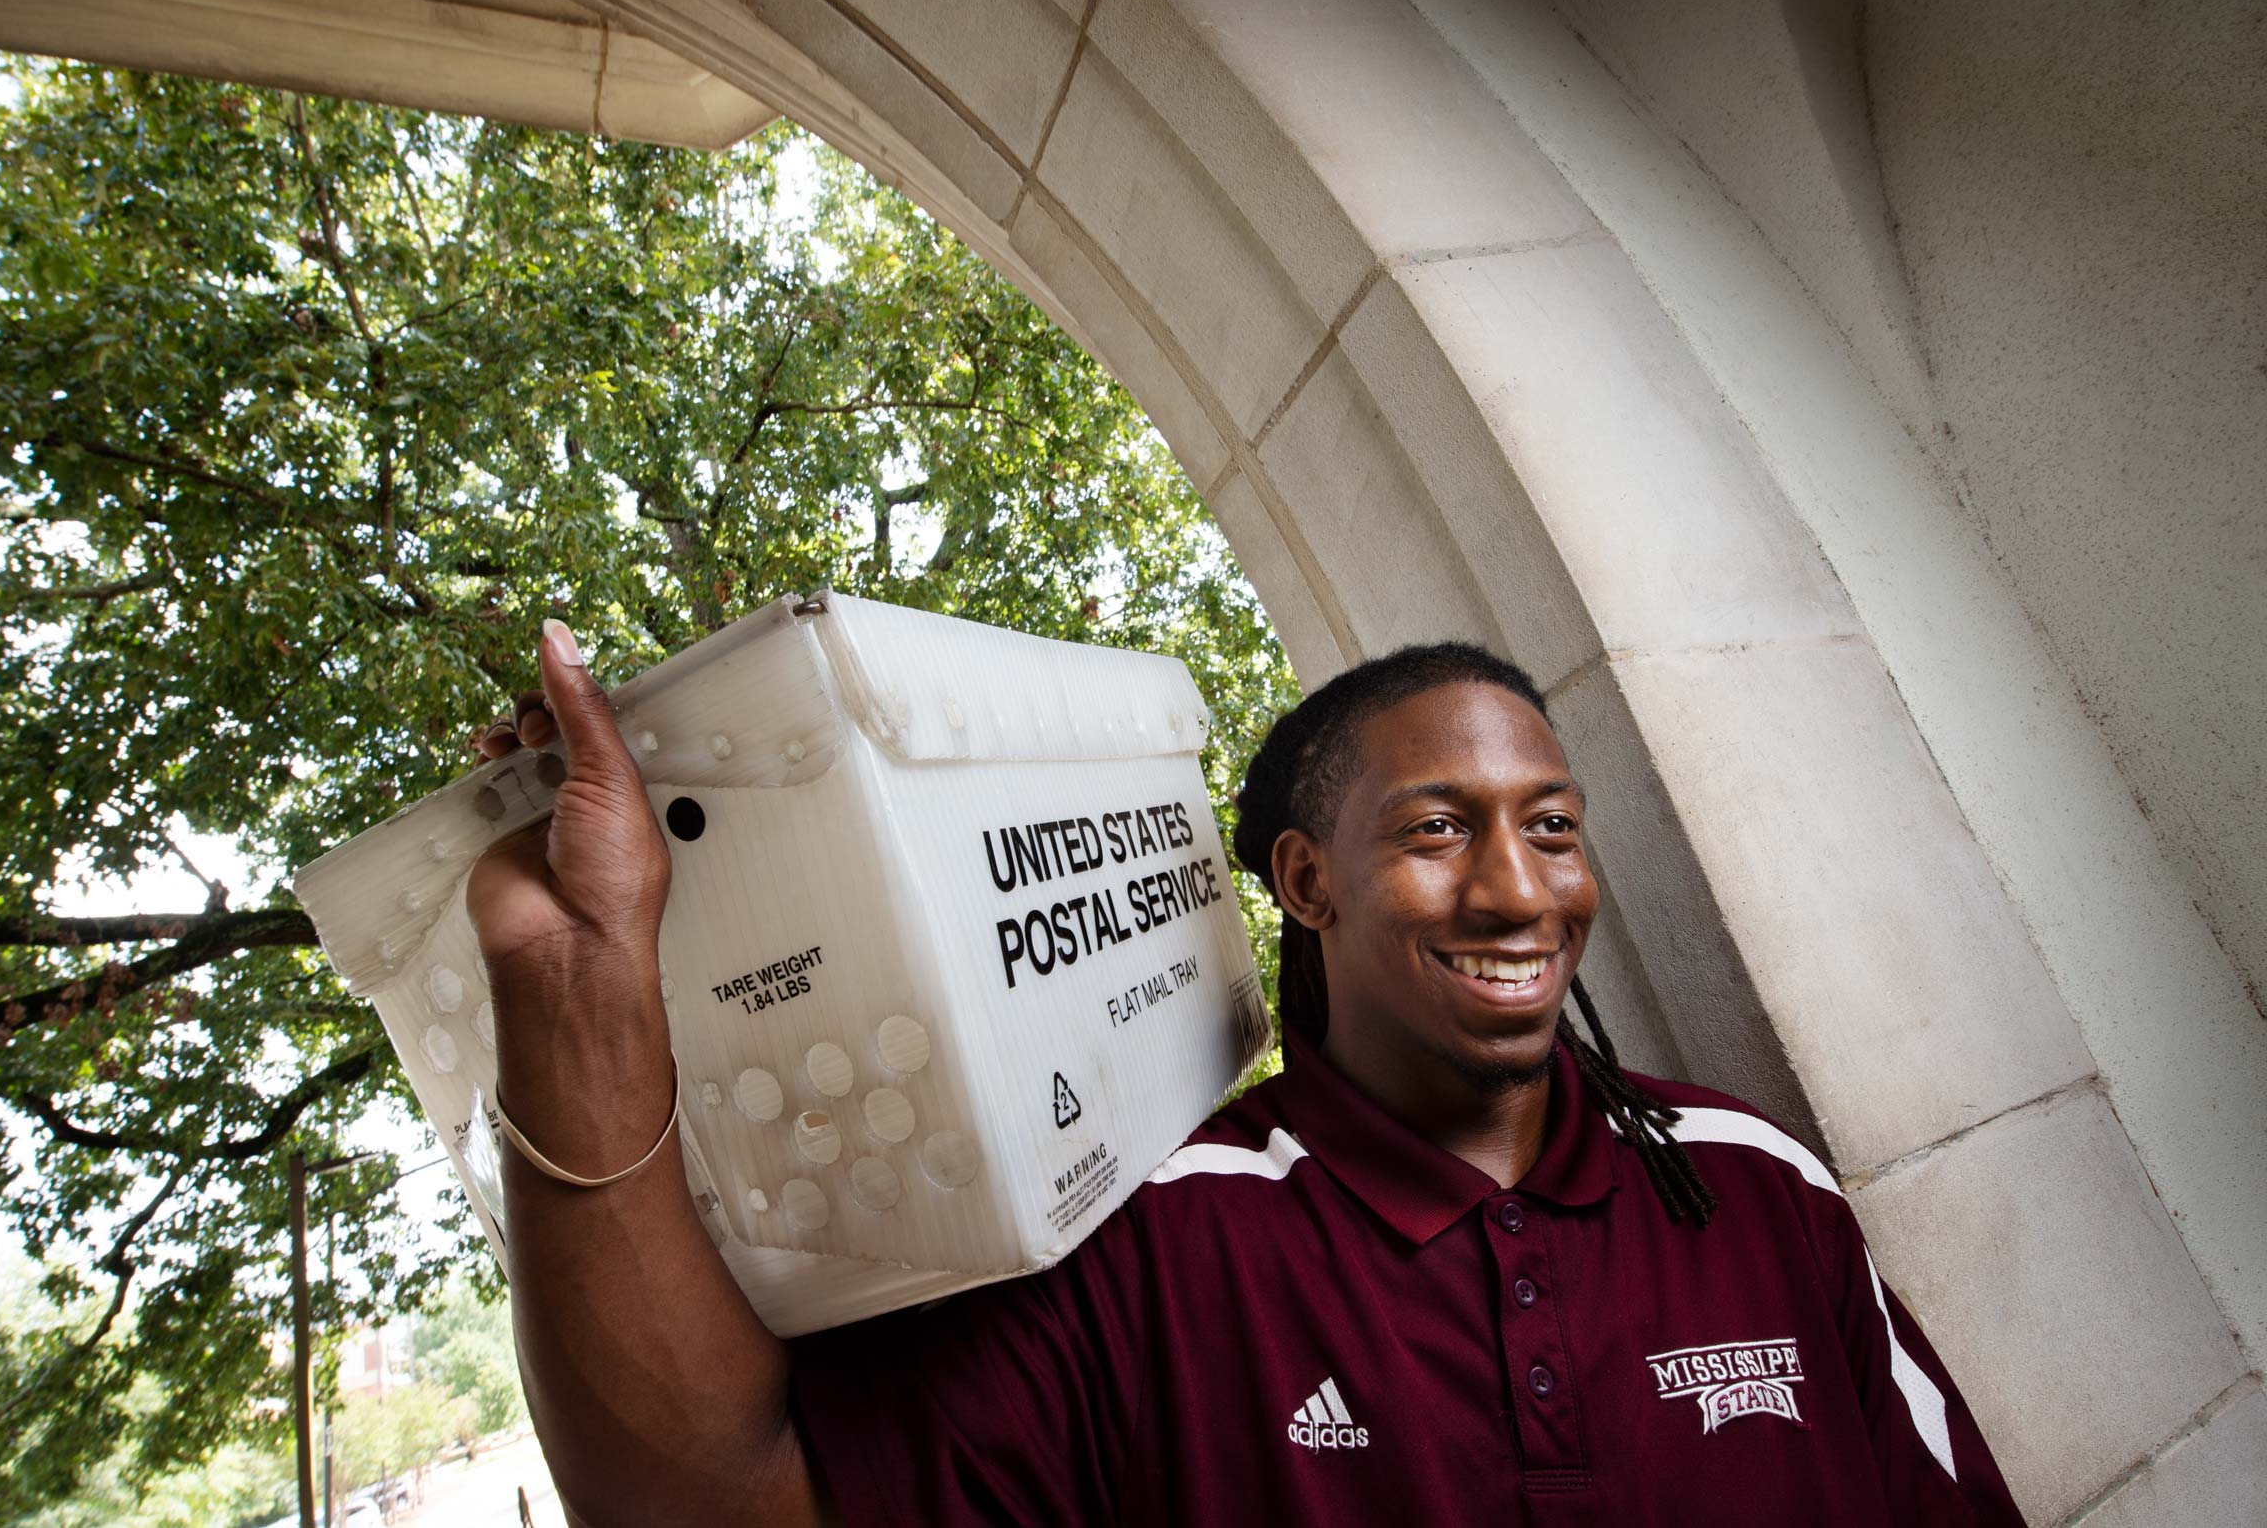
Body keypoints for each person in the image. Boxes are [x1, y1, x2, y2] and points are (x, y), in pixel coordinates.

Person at [467, 619, 2025, 1526]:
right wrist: (577, 990)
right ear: (1306, 879)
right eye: (1436, 828)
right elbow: (722, 1502)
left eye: (1550, 824)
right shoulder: (1155, 1239)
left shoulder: (1754, 1180)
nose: (1516, 888)